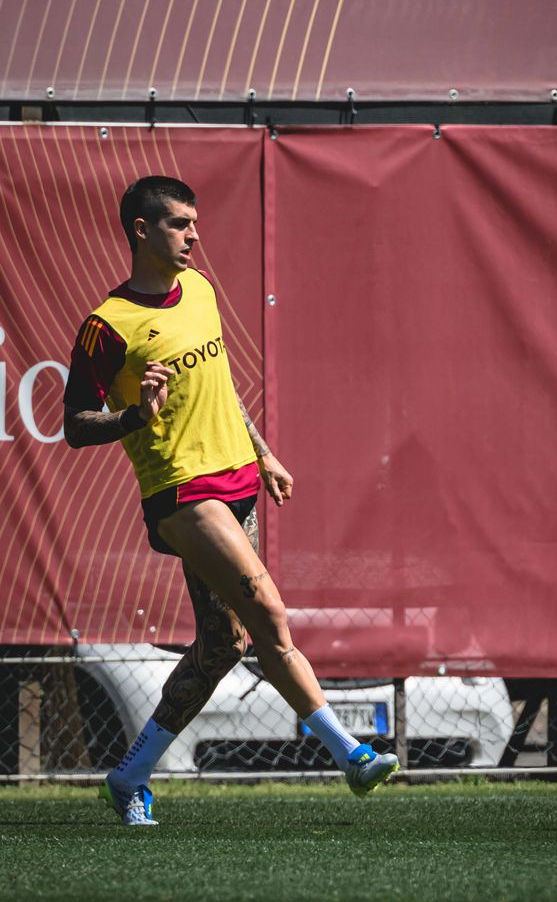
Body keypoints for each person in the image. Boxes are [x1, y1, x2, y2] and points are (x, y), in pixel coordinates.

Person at [63, 175, 398, 825]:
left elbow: (220, 391)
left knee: (224, 643)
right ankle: (351, 755)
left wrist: (263, 451)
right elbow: (75, 425)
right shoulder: (109, 327)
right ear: (142, 231)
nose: (194, 234)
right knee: (270, 612)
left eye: (194, 222)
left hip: (238, 481)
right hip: (184, 495)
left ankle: (129, 776)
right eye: (180, 224)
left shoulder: (202, 291)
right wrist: (134, 416)